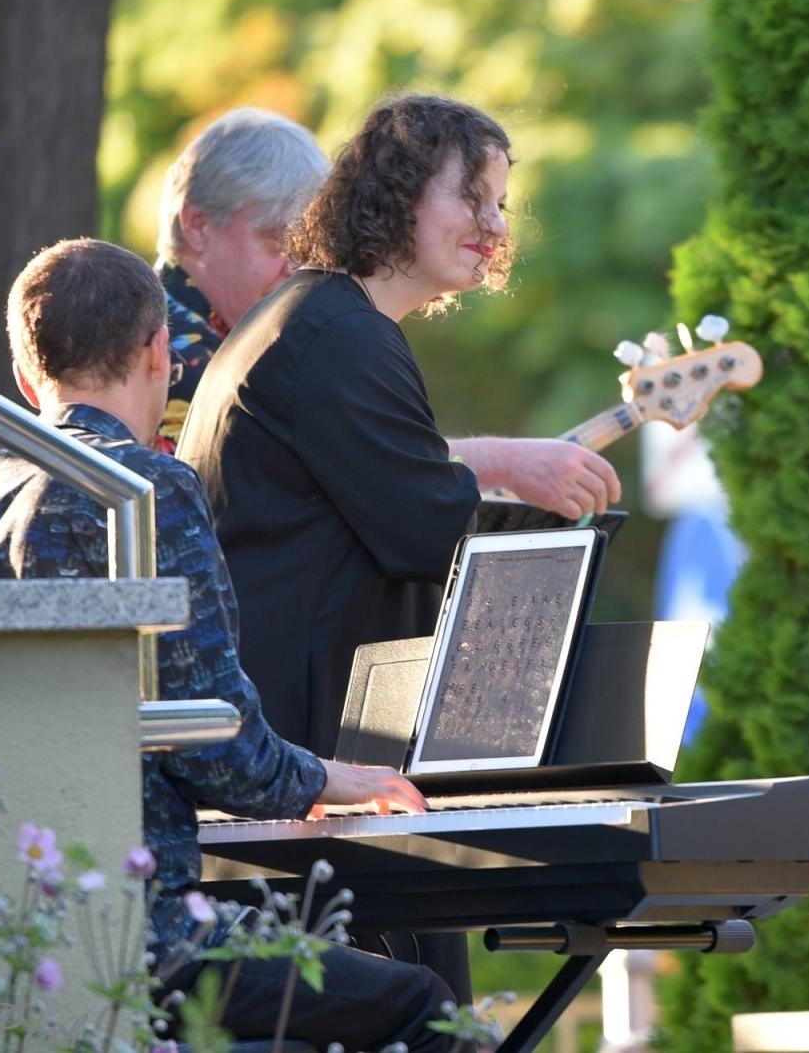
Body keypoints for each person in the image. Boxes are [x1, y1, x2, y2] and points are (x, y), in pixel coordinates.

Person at [0, 238, 458, 1052]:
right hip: (131, 936)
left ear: (24, 378)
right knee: (425, 1007)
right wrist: (334, 777)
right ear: (160, 352)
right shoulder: (143, 491)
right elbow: (220, 748)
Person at [177, 92, 623, 762]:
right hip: (295, 743)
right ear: (397, 193)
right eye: (472, 198)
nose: (495, 226)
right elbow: (432, 536)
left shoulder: (319, 316)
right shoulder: (340, 333)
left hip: (282, 727)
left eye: (500, 204)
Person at [154, 107, 330, 449]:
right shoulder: (165, 361)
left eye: (309, 247)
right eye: (279, 241)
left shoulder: (239, 342)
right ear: (197, 226)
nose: (297, 267)